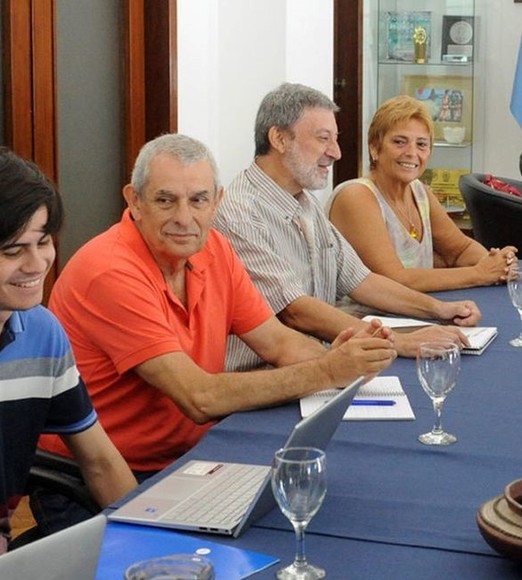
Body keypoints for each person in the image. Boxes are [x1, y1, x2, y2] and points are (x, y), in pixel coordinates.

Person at [37, 133, 395, 487]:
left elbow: (278, 344)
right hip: (103, 477)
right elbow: (199, 398)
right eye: (165, 200)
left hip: (191, 456)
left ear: (217, 202)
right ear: (134, 201)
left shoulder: (215, 249)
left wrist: (343, 359)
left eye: (198, 200)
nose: (184, 217)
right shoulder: (110, 271)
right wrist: (329, 369)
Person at [214, 83, 483, 367]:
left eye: (335, 139)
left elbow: (362, 280)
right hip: (264, 381)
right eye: (323, 138)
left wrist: (440, 310)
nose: (336, 152)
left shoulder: (304, 202)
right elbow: (295, 311)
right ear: (279, 139)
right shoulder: (240, 213)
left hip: (322, 362)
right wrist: (396, 342)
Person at [0, 148, 136, 552]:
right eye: (12, 251)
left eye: (43, 242)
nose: (37, 263)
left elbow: (100, 462)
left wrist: (154, 551)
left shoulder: (42, 333)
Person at [327, 95, 517, 292]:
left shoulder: (420, 192)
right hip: (364, 320)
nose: (411, 152)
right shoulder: (356, 196)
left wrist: (496, 264)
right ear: (375, 148)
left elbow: (460, 250)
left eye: (421, 144)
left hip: (419, 311)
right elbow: (394, 280)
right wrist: (480, 273)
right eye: (400, 142)